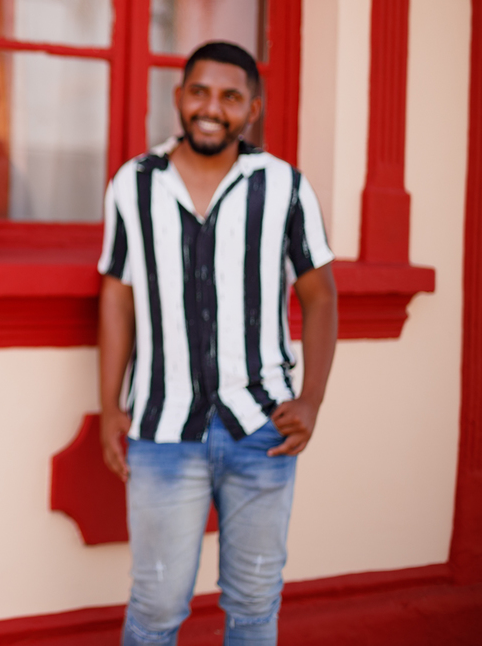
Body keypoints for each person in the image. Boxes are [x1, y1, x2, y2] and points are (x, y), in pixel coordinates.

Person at [97, 41, 338, 646]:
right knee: (154, 609)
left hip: (262, 428)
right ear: (179, 98)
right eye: (200, 92)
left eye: (230, 97)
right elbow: (117, 298)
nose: (212, 108)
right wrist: (108, 406)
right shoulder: (134, 184)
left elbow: (322, 297)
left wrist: (310, 401)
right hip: (162, 430)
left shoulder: (283, 186)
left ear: (252, 109)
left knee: (255, 604)